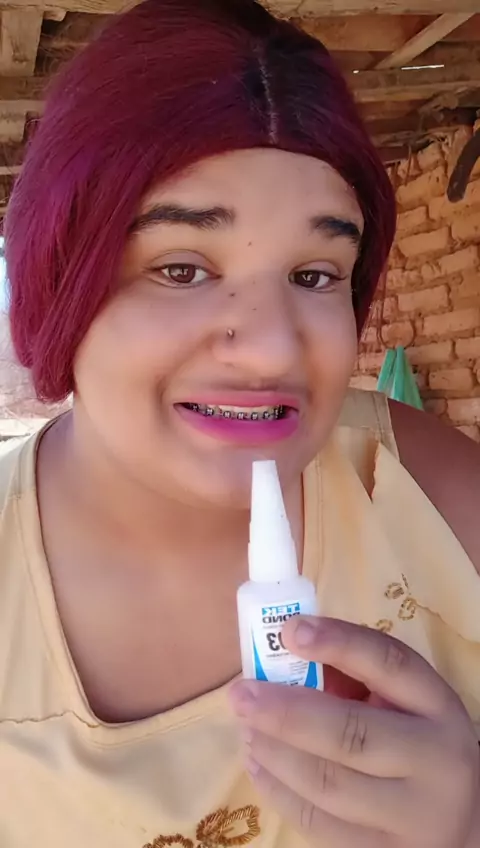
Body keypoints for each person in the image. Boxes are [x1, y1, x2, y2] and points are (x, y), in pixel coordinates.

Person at [1, 0, 480, 845]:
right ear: (61, 282)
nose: (270, 351)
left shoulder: (426, 493)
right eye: (182, 269)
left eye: (316, 274)